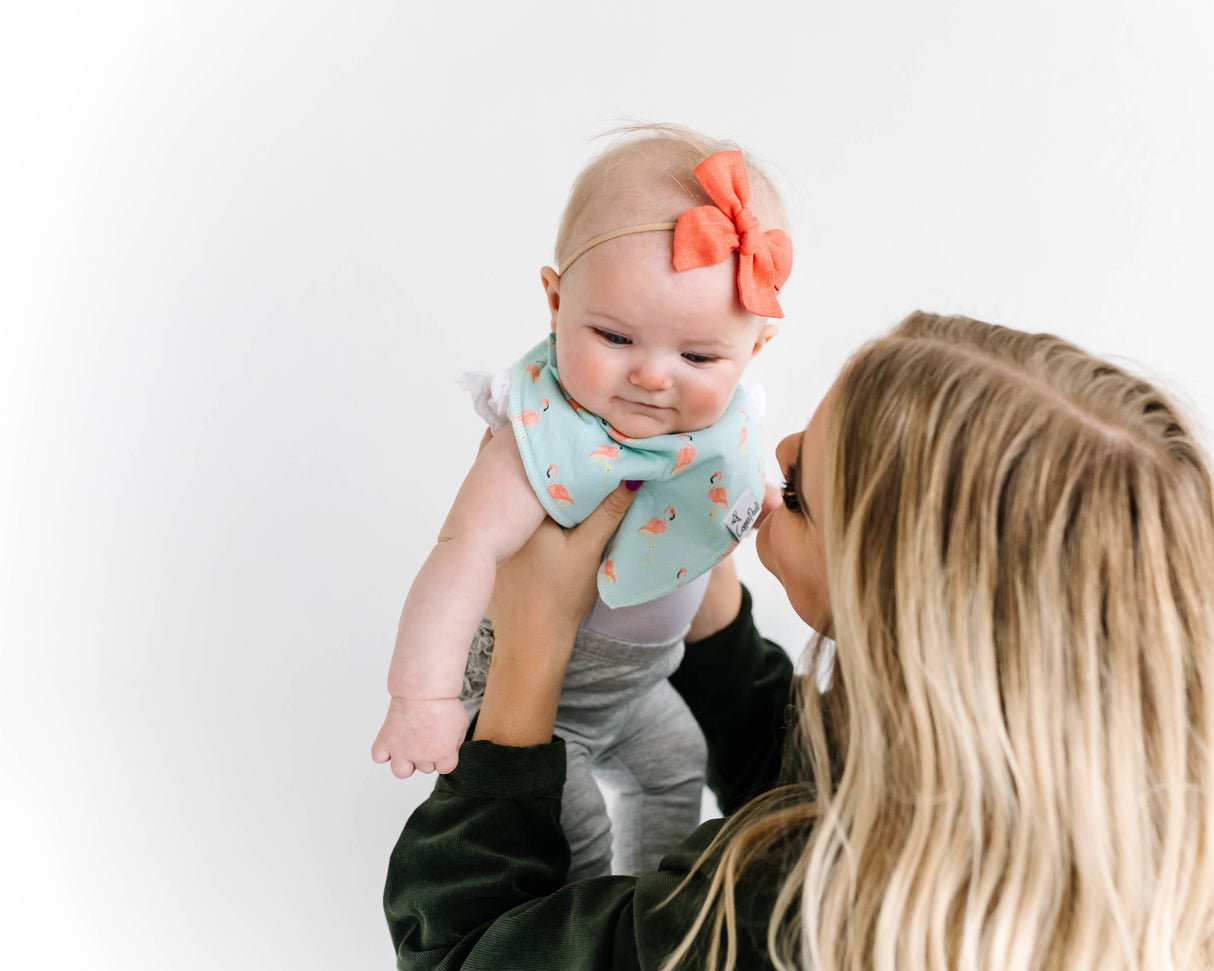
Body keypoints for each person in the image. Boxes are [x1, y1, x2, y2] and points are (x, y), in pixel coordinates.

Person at [383, 311, 1214, 970]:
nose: (775, 452)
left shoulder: (781, 914)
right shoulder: (1083, 822)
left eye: (805, 483)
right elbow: (810, 770)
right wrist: (705, 598)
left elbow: (464, 952)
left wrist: (532, 644)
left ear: (895, 612)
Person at [372, 126, 793, 878]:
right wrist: (422, 693)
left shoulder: (718, 427)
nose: (654, 377)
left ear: (751, 351)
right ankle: (589, 916)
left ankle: (654, 911)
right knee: (576, 835)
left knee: (679, 767)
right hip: (533, 701)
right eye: (615, 335)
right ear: (557, 299)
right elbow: (463, 548)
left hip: (635, 688)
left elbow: (712, 495)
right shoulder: (542, 434)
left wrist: (747, 504)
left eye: (697, 356)